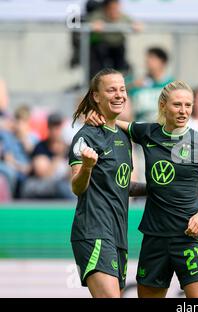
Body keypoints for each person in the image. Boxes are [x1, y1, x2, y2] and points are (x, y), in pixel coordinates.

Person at [86, 80, 198, 298]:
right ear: (163, 105)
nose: (183, 111)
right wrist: (98, 117)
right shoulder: (148, 133)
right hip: (155, 236)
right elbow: (118, 123)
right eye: (177, 105)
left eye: (188, 105)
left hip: (189, 234)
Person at [69, 68, 146, 298]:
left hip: (118, 235)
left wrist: (157, 188)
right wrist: (87, 167)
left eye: (122, 90)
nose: (119, 95)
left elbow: (123, 186)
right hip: (94, 231)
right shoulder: (86, 136)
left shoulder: (123, 137)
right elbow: (77, 186)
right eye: (111, 90)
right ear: (96, 96)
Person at [88, 0, 142, 78]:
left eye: (116, 8)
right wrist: (94, 25)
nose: (114, 11)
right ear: (106, 8)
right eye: (112, 8)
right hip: (103, 47)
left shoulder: (123, 16)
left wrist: (136, 26)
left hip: (118, 46)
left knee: (121, 66)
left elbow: (135, 24)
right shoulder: (99, 14)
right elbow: (90, 23)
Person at [127, 47, 175, 123]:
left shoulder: (172, 85)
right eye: (147, 58)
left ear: (162, 62)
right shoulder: (138, 84)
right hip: (140, 128)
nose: (148, 62)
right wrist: (132, 85)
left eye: (152, 58)